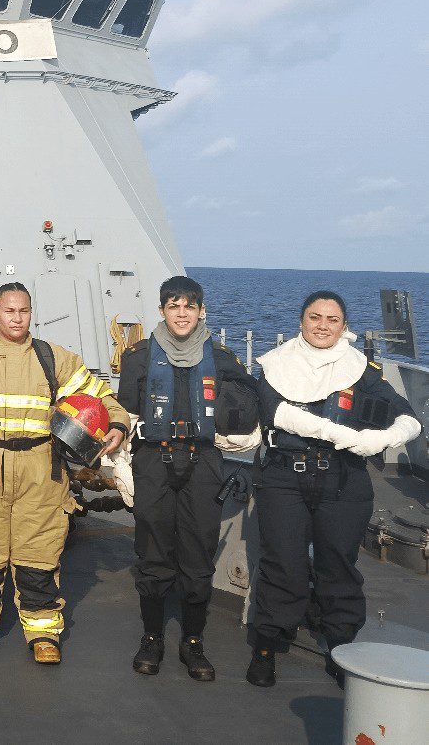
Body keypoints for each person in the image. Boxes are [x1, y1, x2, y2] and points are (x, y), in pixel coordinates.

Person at [0, 282, 129, 665]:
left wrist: (118, 424)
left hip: (42, 473)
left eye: (23, 311)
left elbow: (102, 398)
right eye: (9, 311)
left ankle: (43, 632)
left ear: (31, 314)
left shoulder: (54, 359)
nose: (16, 318)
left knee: (39, 557)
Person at [246, 290, 421, 688]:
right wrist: (342, 434)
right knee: (282, 563)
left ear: (344, 327)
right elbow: (278, 412)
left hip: (342, 479)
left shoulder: (361, 370)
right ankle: (267, 645)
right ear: (301, 321)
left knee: (339, 564)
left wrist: (382, 439)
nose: (322, 326)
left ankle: (341, 647)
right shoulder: (276, 365)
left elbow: (408, 417)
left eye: (332, 319)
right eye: (315, 317)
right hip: (285, 477)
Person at [117, 275, 260, 680]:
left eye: (189, 306)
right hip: (152, 462)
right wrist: (121, 467)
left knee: (198, 555)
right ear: (162, 310)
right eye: (173, 306)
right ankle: (152, 637)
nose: (182, 314)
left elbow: (248, 411)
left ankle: (192, 641)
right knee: (153, 553)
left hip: (203, 463)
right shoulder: (139, 358)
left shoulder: (223, 360)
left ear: (201, 311)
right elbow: (123, 415)